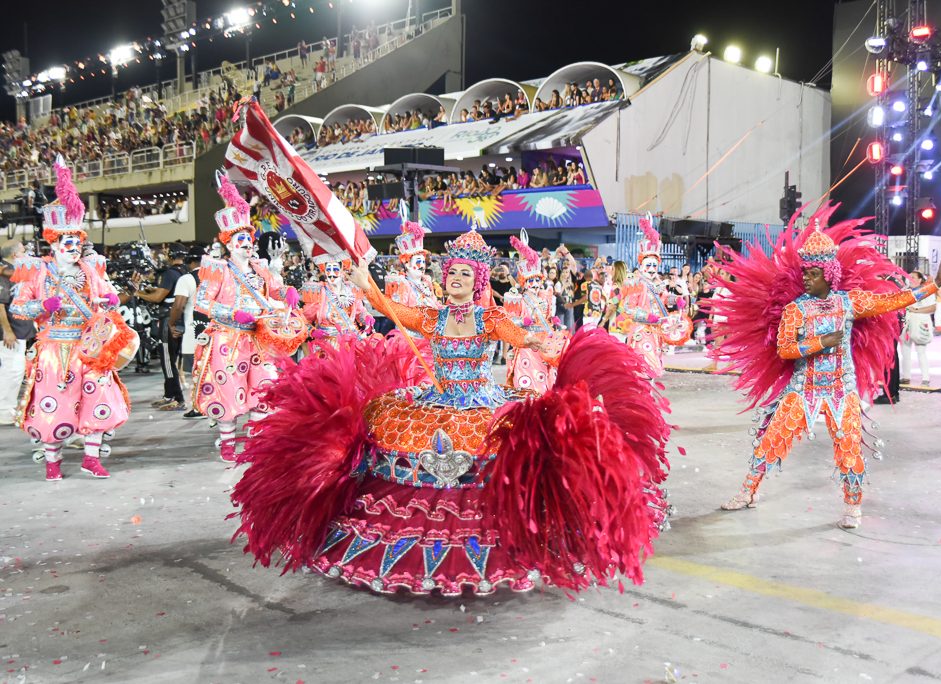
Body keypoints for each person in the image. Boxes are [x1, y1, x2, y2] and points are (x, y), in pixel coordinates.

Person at [231, 226, 674, 596]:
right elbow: (388, 309)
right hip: (436, 399)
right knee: (386, 420)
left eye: (465, 273)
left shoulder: (489, 320)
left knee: (497, 437)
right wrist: (364, 279)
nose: (457, 279)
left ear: (479, 280)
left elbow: (531, 341)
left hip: (480, 401)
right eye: (453, 273)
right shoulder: (433, 315)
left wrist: (568, 361)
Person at [710, 205, 941, 529]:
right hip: (804, 387)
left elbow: (892, 300)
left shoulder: (848, 302)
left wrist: (934, 285)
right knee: (771, 439)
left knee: (850, 447)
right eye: (805, 273)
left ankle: (853, 507)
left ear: (829, 274)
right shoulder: (795, 310)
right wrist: (822, 342)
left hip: (842, 388)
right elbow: (785, 349)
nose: (806, 279)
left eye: (813, 274)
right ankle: (748, 492)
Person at [8, 159, 131, 480]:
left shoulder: (92, 269)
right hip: (54, 350)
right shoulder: (36, 270)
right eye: (68, 243)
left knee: (98, 399)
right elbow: (18, 309)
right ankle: (53, 463)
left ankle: (91, 458)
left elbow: (109, 298)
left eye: (77, 242)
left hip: (90, 347)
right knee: (55, 405)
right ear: (54, 242)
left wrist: (110, 300)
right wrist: (41, 305)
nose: (74, 248)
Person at [192, 174, 300, 462]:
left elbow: (276, 292)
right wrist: (230, 312)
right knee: (230, 392)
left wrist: (288, 293)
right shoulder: (218, 269)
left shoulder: (261, 268)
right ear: (229, 242)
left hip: (260, 338)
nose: (247, 243)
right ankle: (228, 445)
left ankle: (255, 444)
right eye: (241, 239)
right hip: (228, 338)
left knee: (263, 391)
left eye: (249, 238)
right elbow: (202, 303)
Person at [503, 231, 566, 392]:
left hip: (545, 345)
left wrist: (555, 322)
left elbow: (548, 319)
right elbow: (508, 323)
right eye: (532, 281)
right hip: (527, 343)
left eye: (538, 280)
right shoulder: (517, 298)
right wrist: (523, 322)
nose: (536, 284)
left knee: (546, 379)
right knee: (528, 381)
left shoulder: (545, 297)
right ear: (525, 282)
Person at [616, 215, 674, 376]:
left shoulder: (658, 283)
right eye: (648, 265)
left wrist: (678, 300)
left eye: (654, 265)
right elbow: (627, 308)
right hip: (641, 330)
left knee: (653, 368)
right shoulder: (635, 283)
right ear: (641, 265)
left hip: (657, 331)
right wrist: (648, 317)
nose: (651, 268)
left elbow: (664, 300)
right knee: (643, 367)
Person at [136, 243, 188, 410]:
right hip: (182, 320)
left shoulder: (170, 273)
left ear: (169, 254)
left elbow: (158, 298)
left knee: (168, 361)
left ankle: (178, 399)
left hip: (168, 320)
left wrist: (136, 292)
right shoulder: (185, 272)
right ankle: (169, 395)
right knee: (172, 360)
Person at [302, 249, 374, 349]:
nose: (331, 274)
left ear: (342, 270)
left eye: (335, 269)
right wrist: (312, 331)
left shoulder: (352, 290)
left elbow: (360, 312)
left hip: (350, 345)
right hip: (326, 347)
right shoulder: (318, 292)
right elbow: (303, 320)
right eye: (328, 270)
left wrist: (366, 317)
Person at [168, 246, 206, 419]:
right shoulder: (218, 277)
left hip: (193, 334)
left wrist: (172, 323)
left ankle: (200, 407)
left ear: (190, 262)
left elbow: (178, 305)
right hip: (216, 332)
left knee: (196, 374)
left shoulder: (187, 279)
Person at [0, 240, 34, 425]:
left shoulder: (14, 272)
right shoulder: (4, 274)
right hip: (10, 332)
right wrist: (7, 331)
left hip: (18, 329)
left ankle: (7, 408)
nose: (26, 253)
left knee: (14, 369)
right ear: (14, 255)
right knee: (11, 370)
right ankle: (4, 411)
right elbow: (0, 305)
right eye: (23, 251)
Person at [384, 213, 440, 311]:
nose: (422, 266)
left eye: (423, 262)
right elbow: (401, 313)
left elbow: (434, 301)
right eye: (419, 262)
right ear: (407, 264)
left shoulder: (426, 282)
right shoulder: (403, 284)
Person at [900, 270, 935, 386]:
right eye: (909, 277)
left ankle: (925, 378)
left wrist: (916, 310)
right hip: (906, 324)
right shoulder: (905, 291)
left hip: (920, 323)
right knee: (905, 351)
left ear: (920, 279)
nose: (911, 279)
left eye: (914, 277)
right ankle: (906, 377)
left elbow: (933, 308)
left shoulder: (927, 291)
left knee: (921, 351)